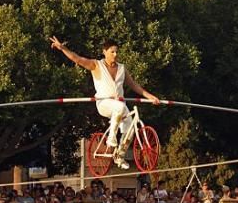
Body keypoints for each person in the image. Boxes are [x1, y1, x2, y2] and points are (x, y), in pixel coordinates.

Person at [50, 36, 160, 169]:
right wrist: (62, 48)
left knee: (130, 128)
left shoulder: (122, 68)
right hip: (104, 104)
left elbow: (134, 85)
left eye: (117, 52)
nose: (115, 54)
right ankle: (111, 138)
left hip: (119, 104)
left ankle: (119, 155)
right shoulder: (96, 65)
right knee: (119, 107)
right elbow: (77, 59)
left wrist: (150, 97)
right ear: (105, 52)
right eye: (112, 52)